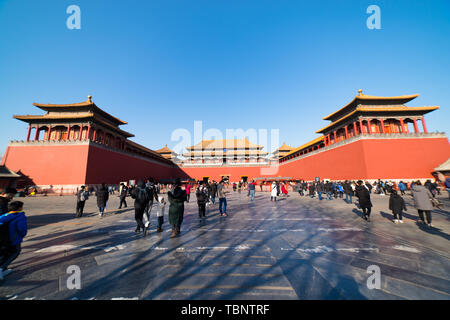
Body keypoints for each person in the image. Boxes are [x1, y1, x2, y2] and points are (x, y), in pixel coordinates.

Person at [0, 201, 27, 281]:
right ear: (19, 208)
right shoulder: (20, 216)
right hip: (13, 239)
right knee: (15, 252)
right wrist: (21, 236)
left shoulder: (4, 215)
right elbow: (22, 229)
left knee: (4, 253)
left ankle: (3, 268)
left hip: (2, 240)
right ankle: (1, 267)